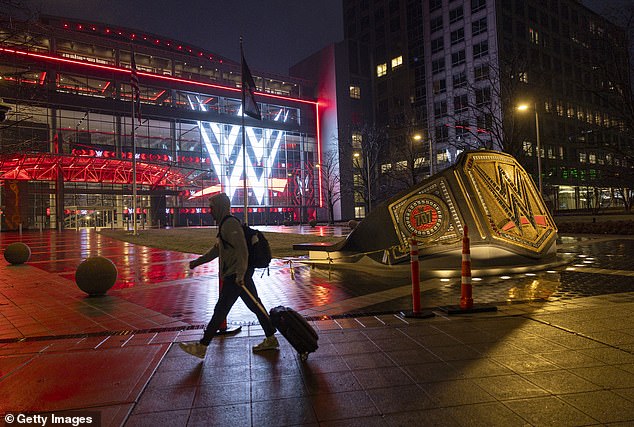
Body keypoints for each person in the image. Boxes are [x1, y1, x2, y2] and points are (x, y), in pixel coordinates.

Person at [178, 193, 278, 359]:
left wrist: (240, 275)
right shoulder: (224, 224)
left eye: (211, 208)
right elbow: (217, 249)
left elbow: (242, 251)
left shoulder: (230, 224)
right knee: (255, 306)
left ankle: (202, 346)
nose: (210, 211)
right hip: (238, 276)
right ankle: (271, 337)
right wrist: (198, 262)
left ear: (219, 207)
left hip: (237, 277)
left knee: (221, 310)